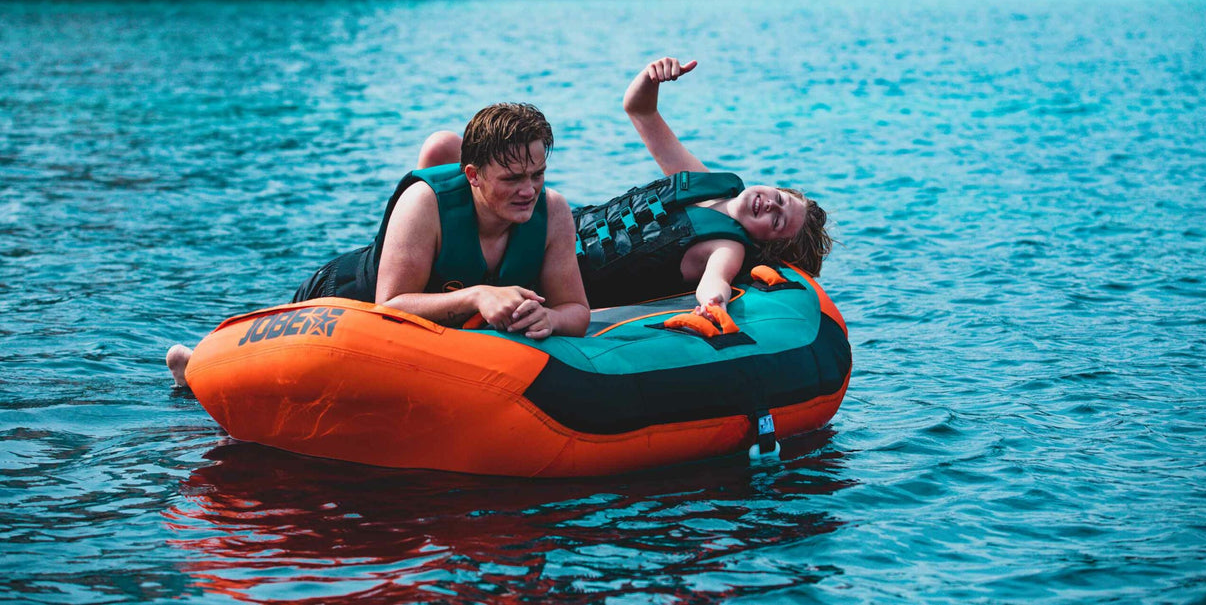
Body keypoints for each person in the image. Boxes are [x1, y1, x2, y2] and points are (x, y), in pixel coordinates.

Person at [167, 102, 590, 387]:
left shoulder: (552, 212)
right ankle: (197, 367)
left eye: (537, 175)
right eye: (512, 179)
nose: (528, 190)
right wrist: (480, 295)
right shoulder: (425, 203)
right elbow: (390, 306)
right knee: (274, 376)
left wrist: (549, 321)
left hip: (440, 325)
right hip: (341, 297)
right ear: (473, 175)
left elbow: (577, 310)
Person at [572, 57, 831, 314]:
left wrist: (714, 301)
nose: (771, 205)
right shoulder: (707, 183)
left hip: (566, 279)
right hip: (564, 229)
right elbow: (640, 110)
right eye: (780, 199)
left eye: (777, 221)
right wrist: (651, 79)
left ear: (766, 246)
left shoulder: (728, 247)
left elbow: (715, 280)